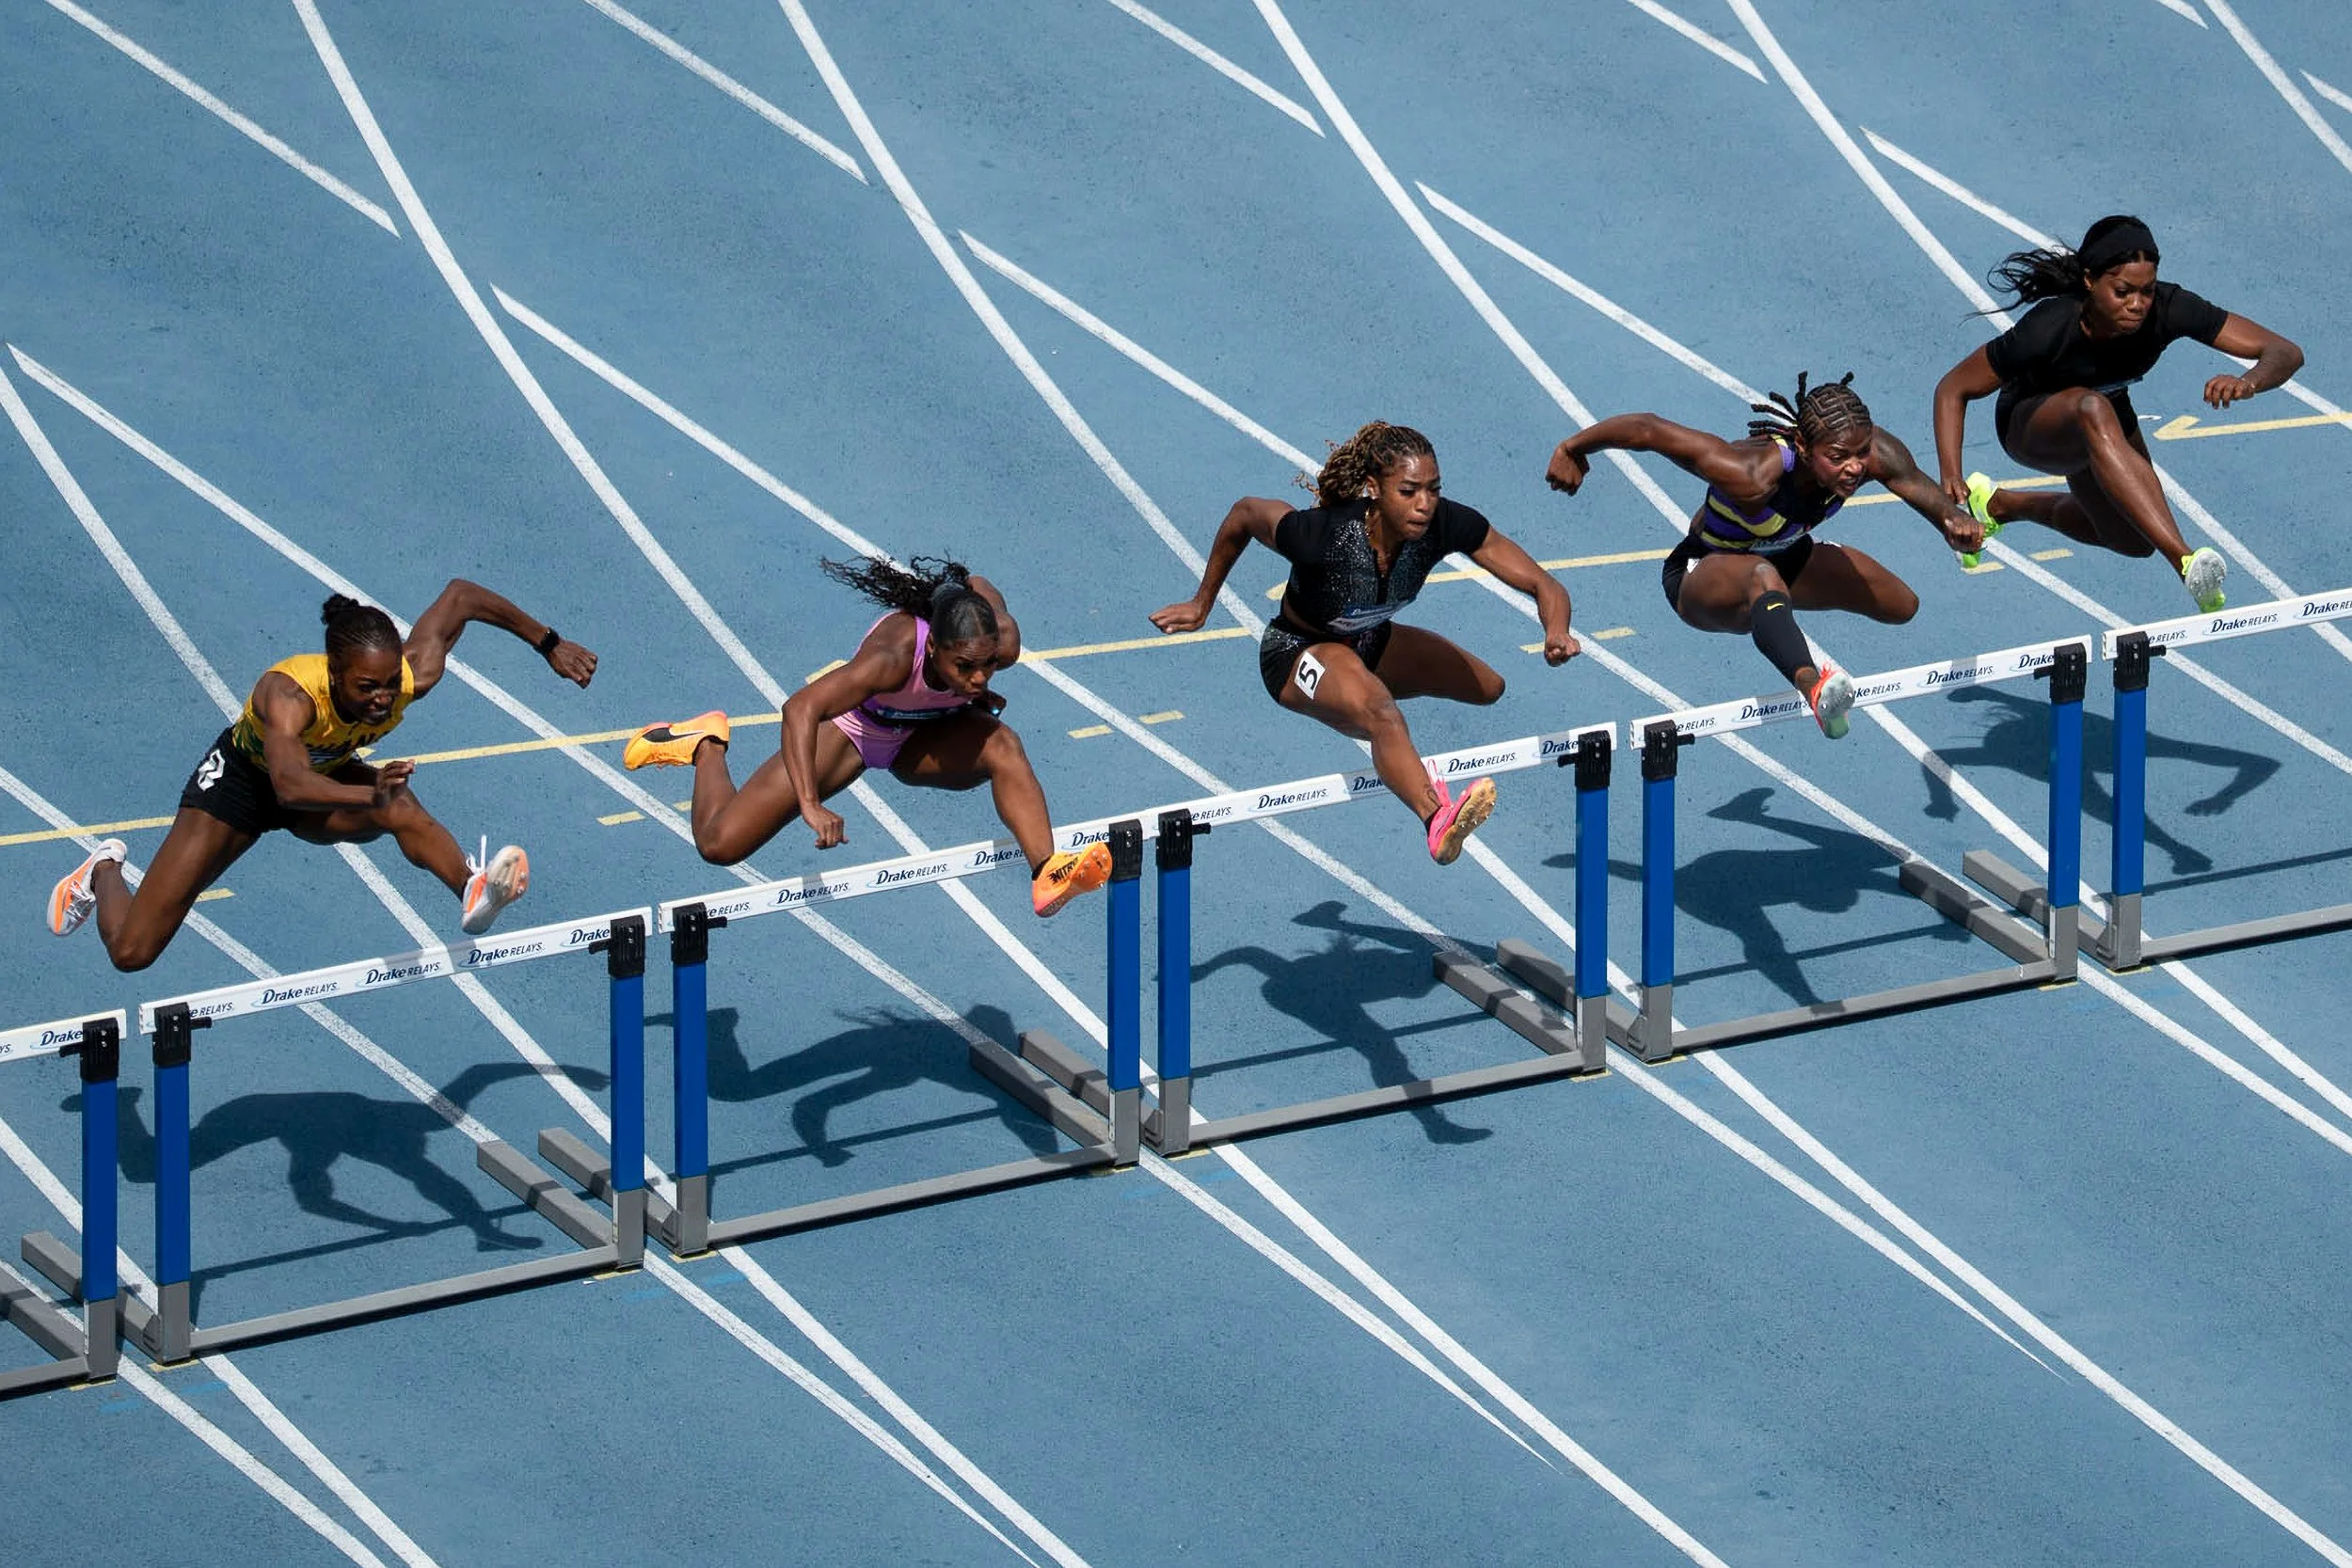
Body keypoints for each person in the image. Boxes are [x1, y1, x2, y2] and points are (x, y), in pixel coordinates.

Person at [48, 584, 597, 970]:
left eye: (389, 683)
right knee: (132, 952)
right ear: (334, 673)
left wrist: (549, 644)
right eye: (366, 688)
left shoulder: (411, 676)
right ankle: (103, 869)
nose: (382, 699)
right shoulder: (289, 695)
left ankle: (471, 887)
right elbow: (288, 785)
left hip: (322, 781)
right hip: (241, 787)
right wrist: (370, 792)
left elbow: (461, 597)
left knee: (399, 805)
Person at [1150, 420, 1577, 863]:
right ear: (1374, 488)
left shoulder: (1445, 523)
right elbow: (1244, 513)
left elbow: (1543, 584)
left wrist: (1557, 631)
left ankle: (1379, 730)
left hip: (1371, 641)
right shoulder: (1321, 535)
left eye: (1433, 490)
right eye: (1408, 491)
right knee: (1381, 715)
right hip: (1297, 651)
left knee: (1489, 688)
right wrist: (1202, 603)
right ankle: (1436, 819)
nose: (1424, 504)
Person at [625, 557, 1113, 917]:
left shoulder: (998, 639)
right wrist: (811, 805)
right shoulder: (892, 658)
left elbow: (980, 584)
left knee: (1004, 745)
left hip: (922, 739)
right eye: (965, 667)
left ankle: (1047, 871)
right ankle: (705, 744)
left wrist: (969, 693)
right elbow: (800, 708)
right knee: (719, 845)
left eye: (987, 665)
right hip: (856, 730)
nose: (980, 676)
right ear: (933, 648)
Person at [1546, 373, 1980, 738]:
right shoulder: (1750, 474)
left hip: (1784, 557)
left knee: (1900, 605)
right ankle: (1814, 688)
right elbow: (1648, 429)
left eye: (1861, 452)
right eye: (1838, 458)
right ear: (1803, 447)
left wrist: (1952, 520)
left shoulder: (1873, 454)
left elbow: (1914, 484)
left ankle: (1775, 612)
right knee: (1759, 575)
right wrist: (1572, 448)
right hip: (1704, 574)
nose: (1855, 467)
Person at [1931, 214, 2303, 612]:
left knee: (2135, 538)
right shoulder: (2049, 326)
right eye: (2123, 292)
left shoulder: (2169, 308)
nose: (2138, 305)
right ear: (2090, 281)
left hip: (2106, 415)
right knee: (2093, 406)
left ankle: (2001, 505)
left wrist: (2250, 381)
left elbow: (2285, 352)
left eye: (2147, 291)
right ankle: (2185, 562)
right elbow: (1953, 388)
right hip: (2030, 424)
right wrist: (1951, 475)